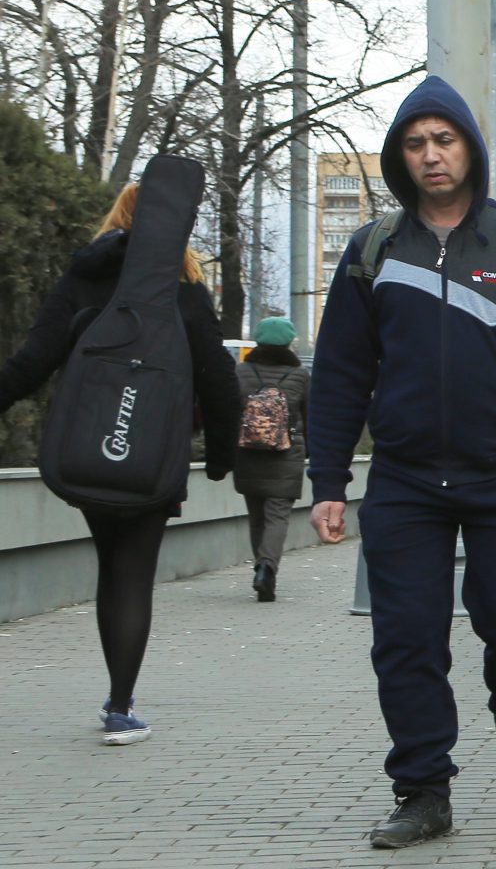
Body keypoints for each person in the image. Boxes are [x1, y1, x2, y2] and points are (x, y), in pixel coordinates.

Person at [306, 76, 496, 850]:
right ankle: (423, 788)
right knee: (405, 638)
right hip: (405, 479)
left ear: (469, 146)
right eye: (415, 143)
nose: (431, 156)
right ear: (399, 156)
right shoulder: (375, 248)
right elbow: (340, 371)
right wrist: (330, 481)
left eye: (444, 140)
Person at [0, 177, 242, 743]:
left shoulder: (83, 281)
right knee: (131, 575)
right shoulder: (184, 295)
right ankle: (119, 706)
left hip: (85, 455)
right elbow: (220, 384)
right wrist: (220, 461)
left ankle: (118, 702)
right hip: (152, 462)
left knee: (111, 564)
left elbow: (32, 361)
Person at [232, 317, 309, 602]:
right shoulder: (300, 375)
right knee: (277, 516)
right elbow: (309, 414)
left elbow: (230, 411)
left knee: (256, 516)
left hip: (248, 453)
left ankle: (260, 566)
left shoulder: (242, 371)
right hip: (287, 453)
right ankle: (267, 567)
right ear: (289, 343)